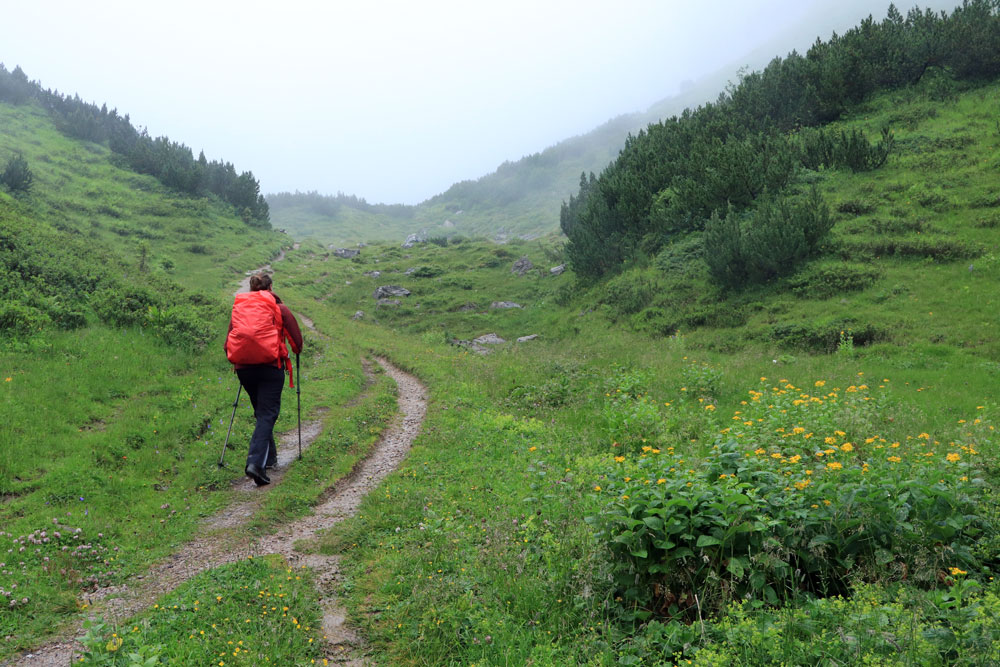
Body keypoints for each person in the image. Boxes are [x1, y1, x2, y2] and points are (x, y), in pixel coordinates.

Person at [225, 273, 303, 486]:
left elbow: (228, 343)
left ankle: (269, 459)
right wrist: (294, 351)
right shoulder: (278, 308)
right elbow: (297, 342)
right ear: (270, 287)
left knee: (262, 413)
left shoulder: (241, 308)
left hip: (244, 369)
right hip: (270, 368)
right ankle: (255, 463)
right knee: (268, 414)